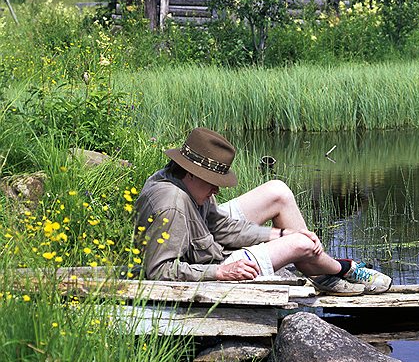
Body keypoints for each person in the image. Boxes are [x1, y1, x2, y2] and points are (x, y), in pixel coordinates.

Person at [134, 127, 391, 296]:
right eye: (213, 181)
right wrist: (220, 273)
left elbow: (220, 227)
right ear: (192, 172)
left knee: (278, 191)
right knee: (301, 243)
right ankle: (339, 269)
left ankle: (318, 269)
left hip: (209, 246)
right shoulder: (172, 204)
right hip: (212, 266)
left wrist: (280, 234)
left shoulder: (185, 184)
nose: (217, 190)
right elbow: (159, 271)